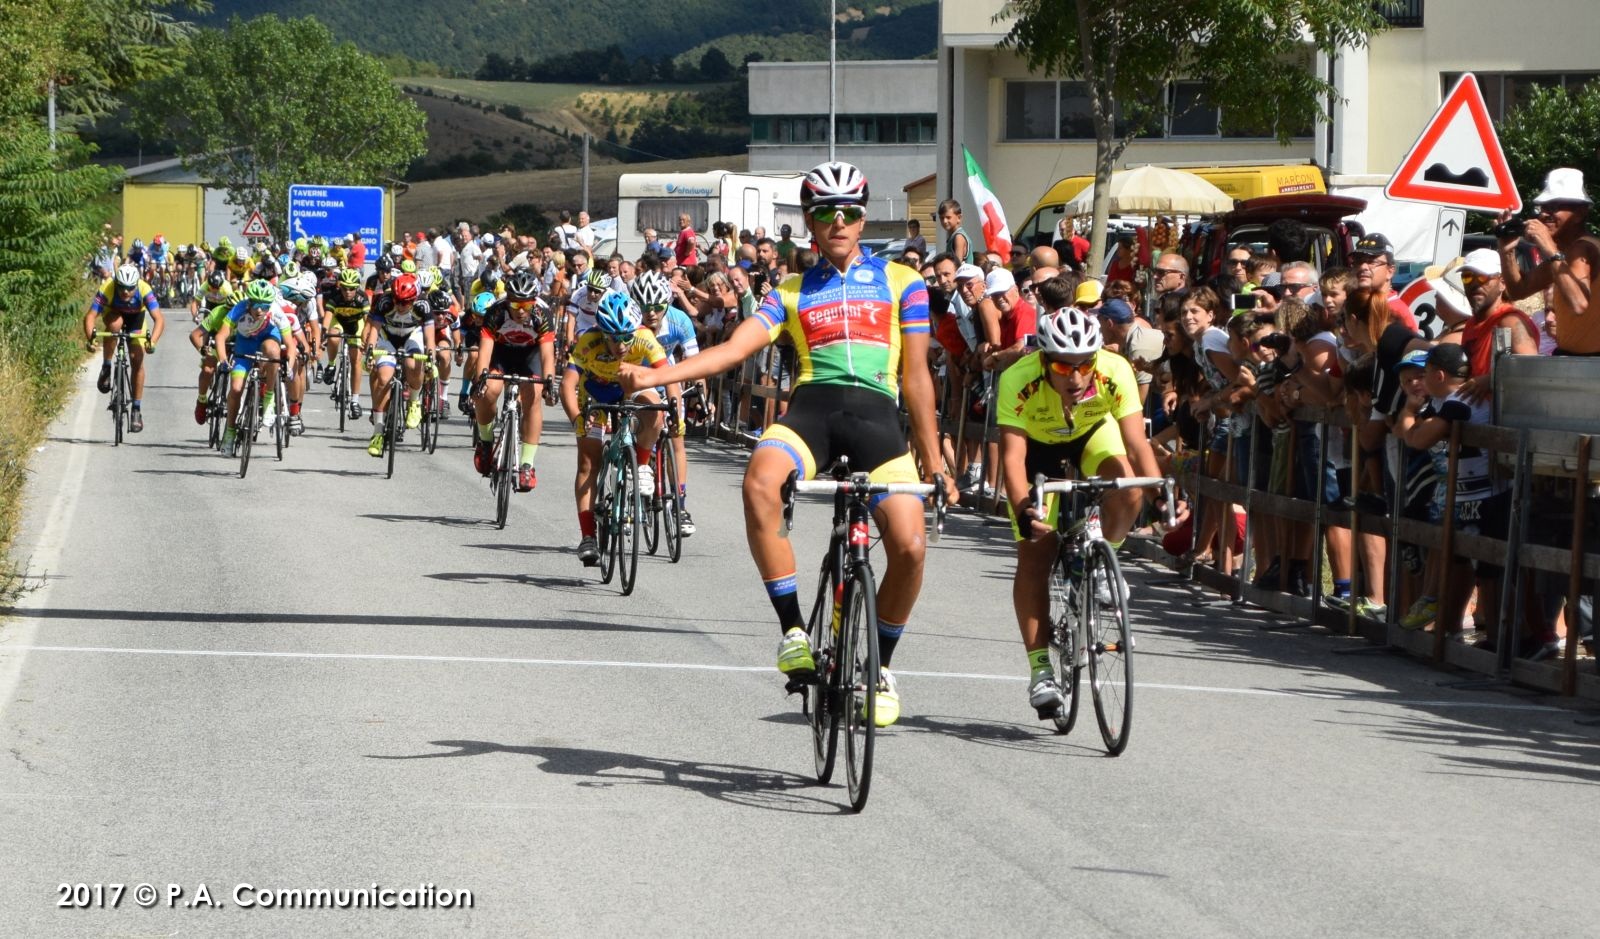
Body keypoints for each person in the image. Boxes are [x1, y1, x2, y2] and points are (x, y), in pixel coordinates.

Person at [618, 161, 955, 728]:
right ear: (810, 221)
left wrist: (935, 455)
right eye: (826, 214)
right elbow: (733, 351)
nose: (839, 223)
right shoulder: (792, 290)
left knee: (911, 546)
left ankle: (881, 667)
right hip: (812, 412)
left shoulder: (904, 281)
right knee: (759, 480)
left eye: (849, 213)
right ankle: (794, 629)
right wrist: (655, 378)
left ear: (863, 218)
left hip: (878, 418)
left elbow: (918, 377)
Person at [998, 307, 1161, 716]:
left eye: (1084, 364)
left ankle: (1105, 556)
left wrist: (1158, 486)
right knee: (1035, 552)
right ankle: (1040, 672)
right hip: (1037, 451)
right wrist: (1023, 509)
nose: (1075, 376)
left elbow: (1137, 443)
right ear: (1042, 359)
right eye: (1062, 365)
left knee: (1128, 489)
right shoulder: (1017, 378)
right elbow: (1013, 459)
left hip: (1090, 434)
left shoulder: (1114, 369)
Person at [561, 292, 678, 565]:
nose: (622, 344)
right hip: (594, 394)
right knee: (588, 464)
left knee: (655, 411)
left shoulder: (644, 337)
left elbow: (670, 377)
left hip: (628, 387)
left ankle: (641, 467)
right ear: (603, 333)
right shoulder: (589, 341)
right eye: (614, 338)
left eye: (627, 337)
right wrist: (577, 417)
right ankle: (588, 536)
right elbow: (568, 384)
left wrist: (676, 414)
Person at [631, 271, 702, 536]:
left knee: (677, 436)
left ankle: (680, 507)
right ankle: (638, 468)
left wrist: (702, 396)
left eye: (658, 308)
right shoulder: (632, 321)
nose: (651, 314)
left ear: (667, 304)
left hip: (669, 377)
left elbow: (694, 362)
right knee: (653, 419)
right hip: (639, 379)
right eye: (646, 308)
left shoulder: (679, 320)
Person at [470, 271, 556, 492]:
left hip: (531, 354)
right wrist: (481, 378)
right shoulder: (496, 312)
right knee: (489, 390)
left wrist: (549, 383)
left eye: (525, 305)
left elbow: (547, 354)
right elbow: (485, 349)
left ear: (533, 302)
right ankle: (486, 441)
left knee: (533, 395)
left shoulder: (542, 313)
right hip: (502, 352)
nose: (520, 311)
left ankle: (527, 464)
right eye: (515, 304)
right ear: (507, 300)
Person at [1500, 167, 1599, 355]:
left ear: (1580, 213)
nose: (1544, 215)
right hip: (1578, 361)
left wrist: (1548, 247)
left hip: (1591, 365)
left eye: (1554, 207)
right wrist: (1507, 251)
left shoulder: (1583, 248)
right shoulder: (1563, 257)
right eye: (1543, 208)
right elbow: (1518, 291)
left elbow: (1578, 304)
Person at [212, 279, 298, 457]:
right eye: (256, 305)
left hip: (267, 339)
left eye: (264, 306)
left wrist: (289, 367)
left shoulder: (275, 310)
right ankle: (230, 432)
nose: (260, 310)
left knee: (273, 351)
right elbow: (221, 336)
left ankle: (268, 399)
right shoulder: (239, 308)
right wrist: (222, 360)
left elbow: (290, 345)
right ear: (249, 303)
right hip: (245, 345)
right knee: (236, 389)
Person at [84, 263, 165, 433]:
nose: (125, 292)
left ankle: (136, 409)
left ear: (136, 284)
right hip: (114, 313)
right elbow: (91, 316)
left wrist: (153, 342)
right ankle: (106, 366)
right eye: (122, 288)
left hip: (136, 318)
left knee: (137, 360)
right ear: (116, 283)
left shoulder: (144, 289)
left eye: (130, 288)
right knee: (115, 326)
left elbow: (158, 319)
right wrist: (90, 338)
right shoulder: (108, 287)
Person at [364, 273, 437, 458]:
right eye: (397, 301)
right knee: (384, 377)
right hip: (388, 338)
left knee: (414, 363)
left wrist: (430, 356)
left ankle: (414, 401)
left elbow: (429, 337)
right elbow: (374, 330)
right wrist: (370, 352)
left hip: (412, 336)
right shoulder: (384, 302)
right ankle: (378, 433)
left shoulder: (423, 305)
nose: (399, 305)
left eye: (405, 303)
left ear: (414, 300)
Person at [1348, 233, 1419, 331]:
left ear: (1390, 271)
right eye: (1358, 261)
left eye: (1372, 262)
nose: (1363, 267)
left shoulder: (1397, 311)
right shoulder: (1356, 303)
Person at [938, 199, 974, 264]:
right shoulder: (953, 236)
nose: (944, 221)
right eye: (941, 218)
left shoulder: (959, 237)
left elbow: (957, 265)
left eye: (948, 217)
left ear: (959, 218)